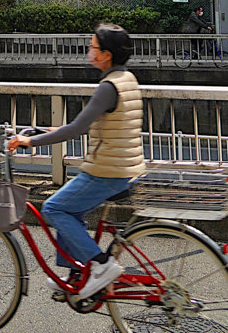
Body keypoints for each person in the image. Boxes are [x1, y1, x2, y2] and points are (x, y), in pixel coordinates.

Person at [8, 24, 144, 301]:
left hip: (107, 170)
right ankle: (74, 274)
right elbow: (87, 126)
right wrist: (41, 131)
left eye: (93, 47)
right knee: (71, 210)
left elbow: (76, 128)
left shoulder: (108, 87)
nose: (89, 51)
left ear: (106, 55)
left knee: (54, 209)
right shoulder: (126, 78)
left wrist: (30, 143)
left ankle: (102, 266)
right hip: (127, 167)